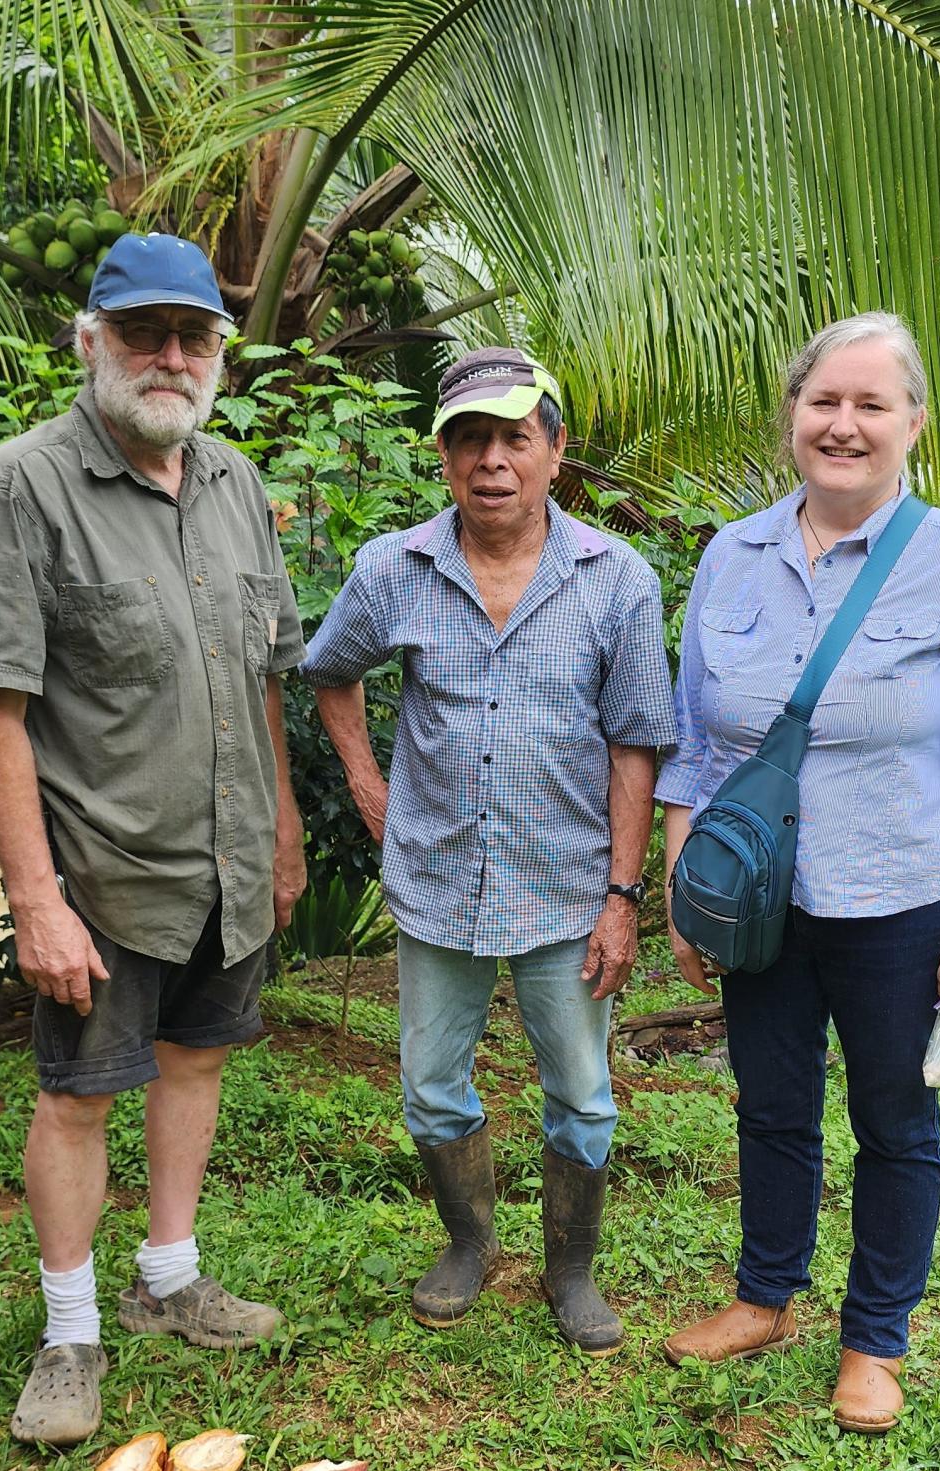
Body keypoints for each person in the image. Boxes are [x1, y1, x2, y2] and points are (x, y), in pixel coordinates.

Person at [0, 233, 309, 1446]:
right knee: (82, 1096)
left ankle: (169, 1278)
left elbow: (264, 674)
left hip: (227, 859)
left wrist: (285, 827)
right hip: (99, 870)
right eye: (144, 331)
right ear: (90, 339)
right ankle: (68, 1332)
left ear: (220, 355)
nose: (170, 356)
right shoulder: (19, 488)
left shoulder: (235, 484)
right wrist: (36, 897)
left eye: (194, 336)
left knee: (196, 1064)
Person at [657, 312, 940, 1431]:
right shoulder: (733, 553)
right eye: (825, 401)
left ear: (914, 421)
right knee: (770, 1106)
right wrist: (687, 890)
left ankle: (874, 1339)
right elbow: (696, 745)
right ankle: (764, 1294)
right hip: (763, 903)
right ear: (792, 417)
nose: (845, 424)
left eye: (872, 404)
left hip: (898, 903)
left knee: (895, 1123)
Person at [304, 347, 676, 1356]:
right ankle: (468, 1243)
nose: (492, 460)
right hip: (437, 881)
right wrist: (367, 782)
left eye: (516, 436)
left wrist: (622, 894)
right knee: (430, 1081)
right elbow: (329, 672)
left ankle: (572, 1267)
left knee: (584, 1093)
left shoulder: (618, 581)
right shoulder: (394, 569)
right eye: (470, 437)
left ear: (556, 451)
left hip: (567, 885)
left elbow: (639, 740)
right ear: (443, 456)